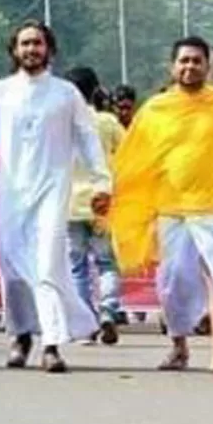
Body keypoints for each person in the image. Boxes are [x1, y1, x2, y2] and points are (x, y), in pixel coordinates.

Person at [0, 22, 111, 373]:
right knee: (13, 272)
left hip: (51, 192)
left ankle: (51, 344)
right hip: (10, 195)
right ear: (14, 51)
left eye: (37, 43)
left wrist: (101, 183)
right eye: (25, 44)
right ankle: (20, 335)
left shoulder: (66, 94)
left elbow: (88, 139)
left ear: (50, 49)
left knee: (48, 266)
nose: (31, 49)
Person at [109, 36, 213, 377]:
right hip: (172, 210)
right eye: (184, 61)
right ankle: (179, 346)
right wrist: (111, 192)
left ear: (207, 65)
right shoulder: (155, 110)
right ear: (173, 66)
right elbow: (131, 158)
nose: (189, 67)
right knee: (173, 284)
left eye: (196, 61)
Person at [63, 65, 126, 346]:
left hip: (69, 204)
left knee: (76, 266)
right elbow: (128, 155)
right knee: (107, 263)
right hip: (103, 201)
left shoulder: (60, 124)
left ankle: (84, 324)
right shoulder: (108, 122)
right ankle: (108, 310)